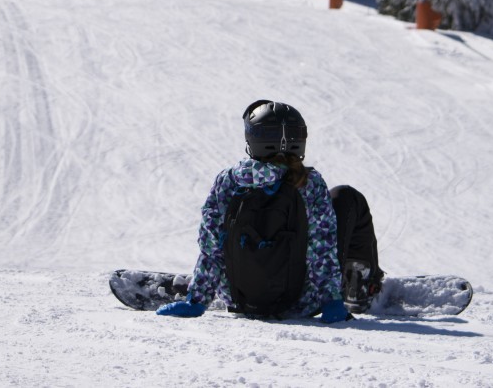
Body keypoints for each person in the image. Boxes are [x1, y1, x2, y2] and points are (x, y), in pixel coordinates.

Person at [157, 99, 384, 323]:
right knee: (346, 197)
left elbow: (212, 247)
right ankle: (359, 284)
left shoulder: (228, 181)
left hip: (240, 301)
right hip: (302, 302)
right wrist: (331, 302)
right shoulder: (309, 183)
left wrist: (196, 300)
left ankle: (213, 292)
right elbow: (320, 248)